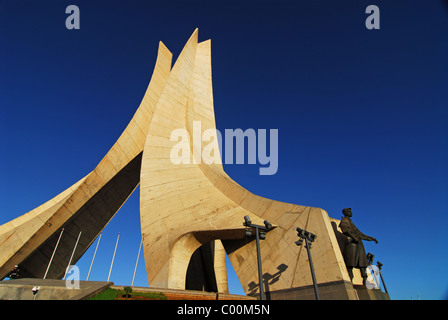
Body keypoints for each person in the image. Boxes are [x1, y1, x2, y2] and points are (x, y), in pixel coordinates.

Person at [339, 208, 378, 286]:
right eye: (349, 211)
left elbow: (360, 234)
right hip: (351, 245)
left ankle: (365, 280)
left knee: (362, 263)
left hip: (359, 245)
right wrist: (354, 237)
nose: (351, 213)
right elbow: (345, 230)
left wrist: (370, 238)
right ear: (346, 212)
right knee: (350, 264)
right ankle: (350, 282)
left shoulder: (350, 222)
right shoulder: (344, 221)